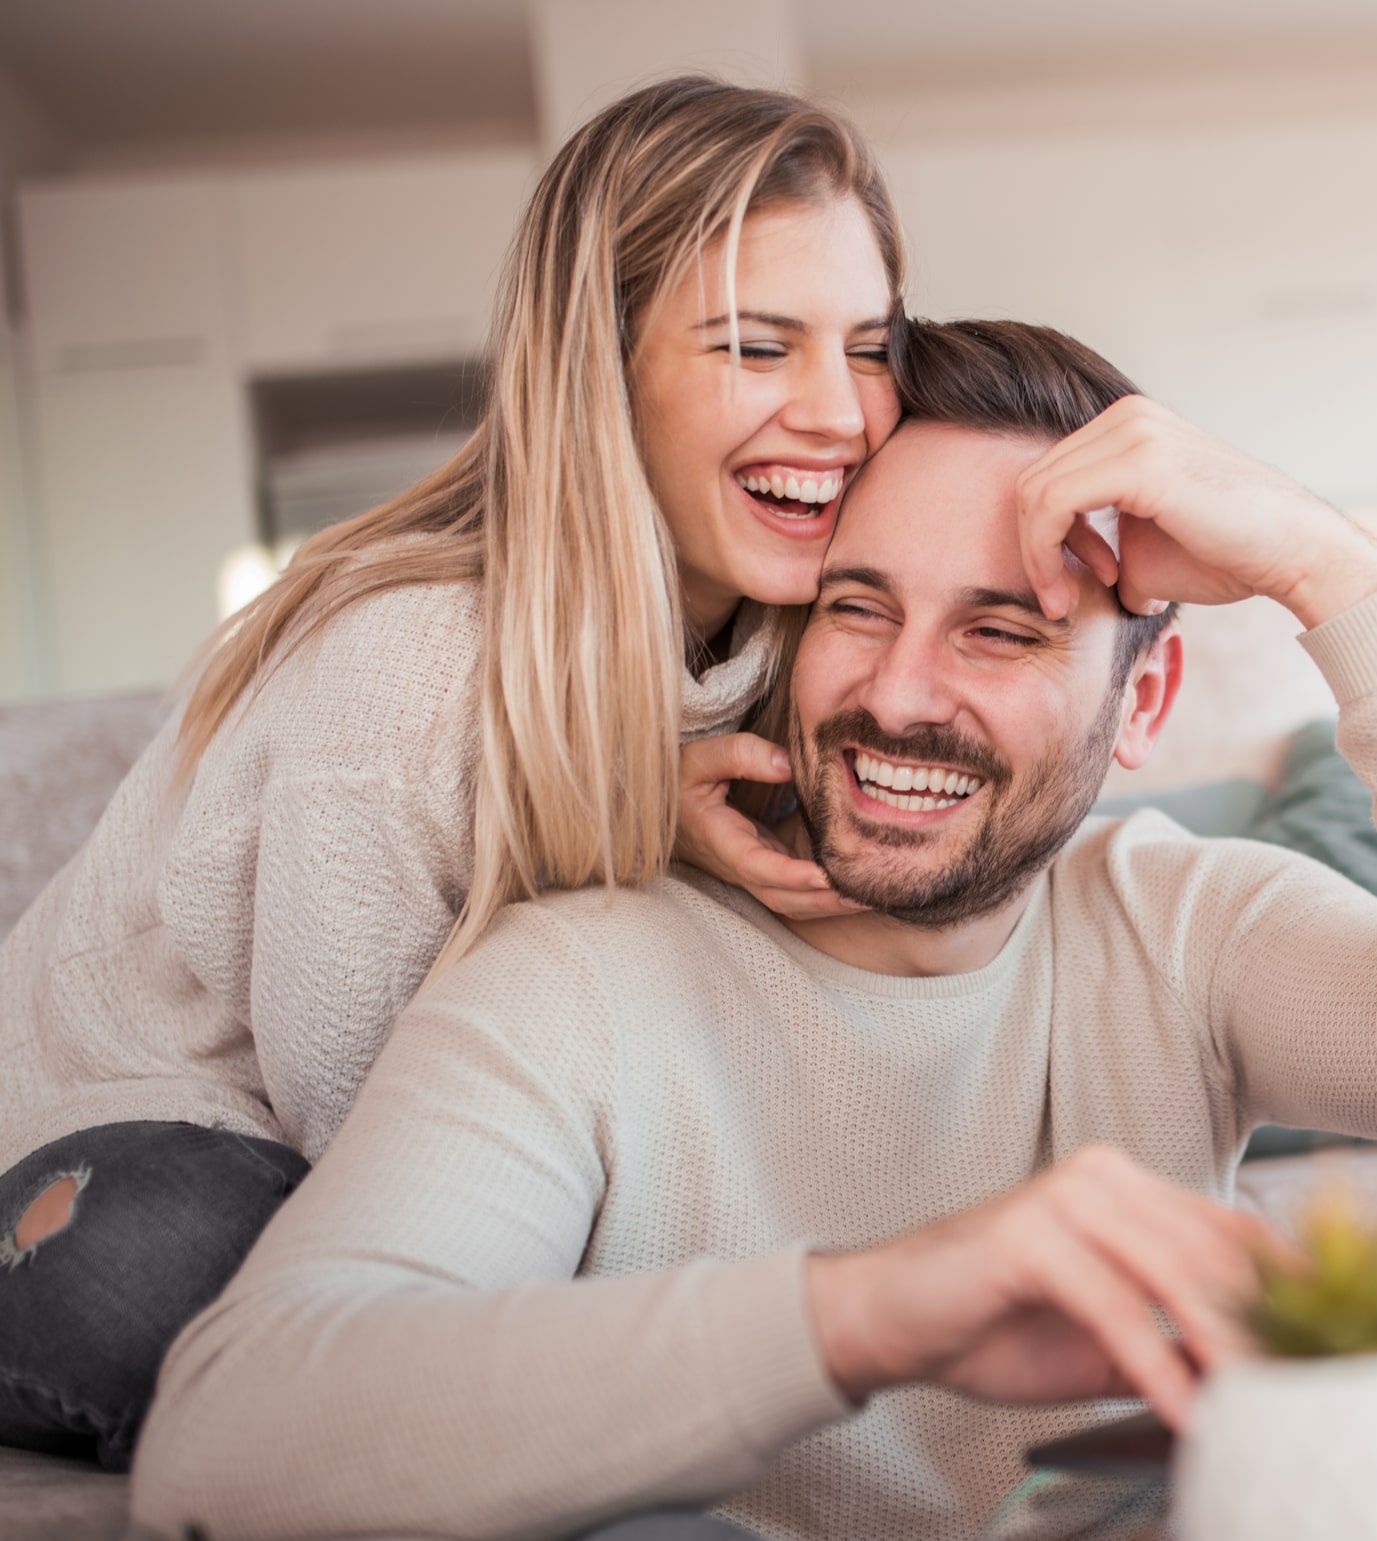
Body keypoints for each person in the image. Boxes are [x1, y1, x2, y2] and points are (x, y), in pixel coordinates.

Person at [130, 317, 1377, 1541]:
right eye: (857, 606)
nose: (899, 695)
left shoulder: (1183, 922)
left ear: (1143, 704)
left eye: (1004, 629)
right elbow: (231, 1439)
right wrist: (874, 1308)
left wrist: (1329, 568)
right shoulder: (579, 978)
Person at [0, 75, 906, 1468]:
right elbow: (376, 1145)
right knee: (174, 1260)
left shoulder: (801, 637)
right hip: (144, 1140)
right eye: (755, 347)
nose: (840, 411)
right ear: (601, 367)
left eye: (870, 346)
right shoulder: (414, 660)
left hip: (392, 1175)